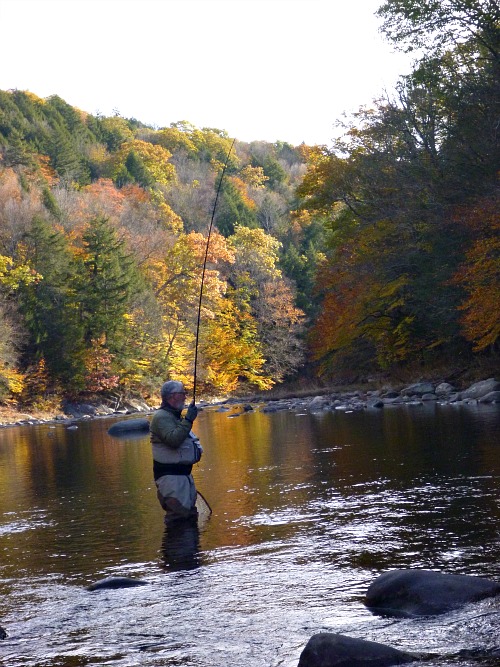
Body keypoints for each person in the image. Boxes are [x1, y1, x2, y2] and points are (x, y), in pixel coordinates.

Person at [150, 380, 202, 524]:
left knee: (189, 519)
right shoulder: (161, 417)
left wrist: (185, 420)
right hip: (171, 480)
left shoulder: (173, 416)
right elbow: (174, 440)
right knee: (178, 520)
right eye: (182, 393)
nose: (185, 397)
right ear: (172, 396)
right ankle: (176, 546)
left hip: (181, 478)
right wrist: (189, 420)